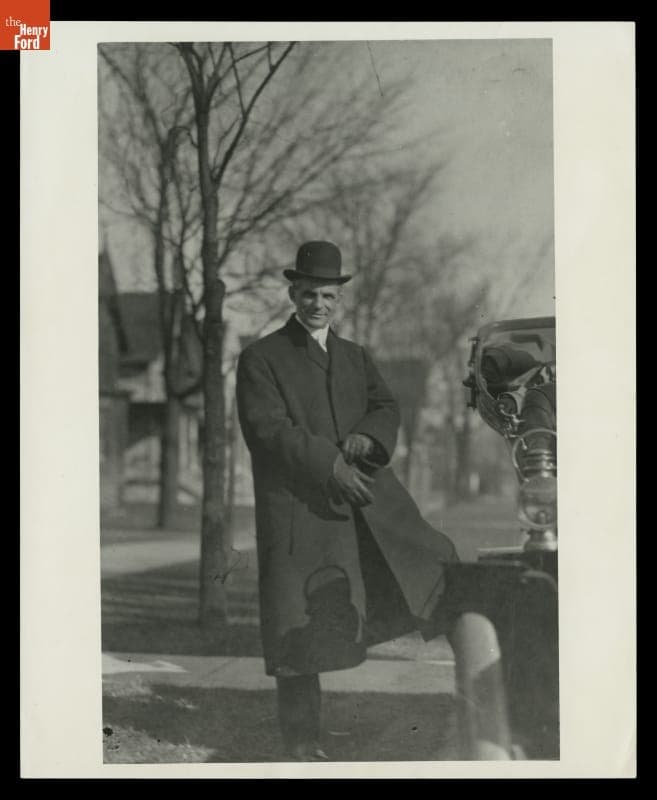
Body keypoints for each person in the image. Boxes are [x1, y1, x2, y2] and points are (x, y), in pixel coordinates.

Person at [236, 240, 458, 761]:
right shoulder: (261, 358)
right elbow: (268, 430)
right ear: (293, 293)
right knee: (296, 634)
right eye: (309, 293)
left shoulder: (355, 356)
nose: (318, 303)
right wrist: (329, 464)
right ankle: (301, 743)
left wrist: (368, 437)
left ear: (339, 299)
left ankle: (473, 697)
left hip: (360, 505)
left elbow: (386, 405)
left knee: (433, 560)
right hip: (300, 513)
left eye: (328, 295)